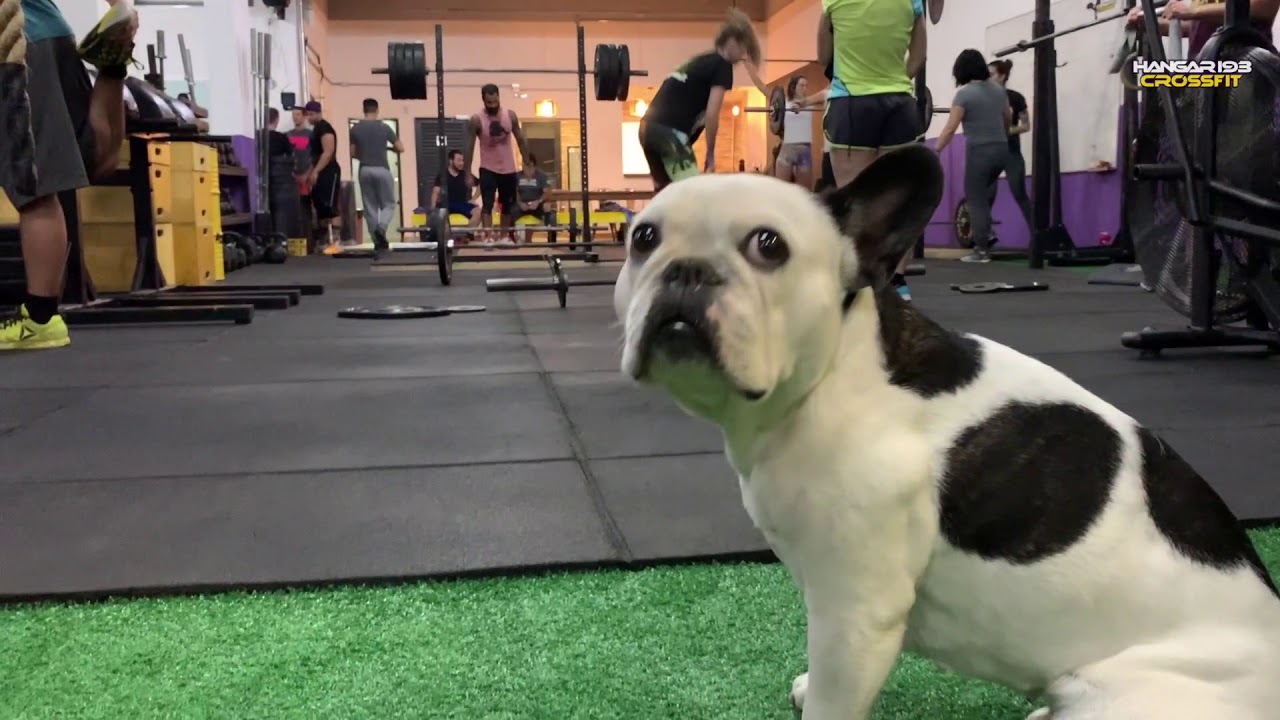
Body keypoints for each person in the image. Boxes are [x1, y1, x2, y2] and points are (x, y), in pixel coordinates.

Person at [0, 0, 138, 351]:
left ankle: (41, 319)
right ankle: (112, 69)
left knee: (33, 186)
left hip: (18, 44)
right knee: (88, 159)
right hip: (52, 34)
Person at [819, 0, 927, 300]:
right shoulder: (912, 1)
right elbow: (919, 55)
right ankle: (897, 284)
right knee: (901, 202)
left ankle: (856, 287)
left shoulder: (832, 1)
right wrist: (895, 80)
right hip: (899, 104)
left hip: (851, 103)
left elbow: (823, 56)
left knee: (853, 200)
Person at [638, 9, 764, 191]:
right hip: (669, 133)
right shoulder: (722, 65)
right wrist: (711, 155)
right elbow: (712, 114)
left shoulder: (702, 60)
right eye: (744, 51)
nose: (742, 59)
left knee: (666, 195)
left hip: (647, 129)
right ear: (735, 41)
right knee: (694, 194)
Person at [934, 49, 1012, 264]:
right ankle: (986, 235)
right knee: (986, 197)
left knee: (975, 200)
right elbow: (1007, 117)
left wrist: (936, 149)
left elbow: (951, 127)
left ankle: (981, 251)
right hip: (1001, 149)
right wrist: (1001, 138)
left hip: (980, 150)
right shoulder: (998, 90)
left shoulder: (964, 94)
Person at [461, 84, 530, 245]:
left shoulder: (510, 116)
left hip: (508, 168)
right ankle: (488, 237)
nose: (492, 105)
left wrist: (526, 161)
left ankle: (504, 236)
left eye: (494, 102)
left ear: (499, 97)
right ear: (483, 100)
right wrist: (467, 172)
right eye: (488, 103)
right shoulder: (476, 120)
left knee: (507, 204)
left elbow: (520, 139)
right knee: (487, 204)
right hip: (488, 168)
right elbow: (469, 147)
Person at [1126, 0, 1276, 58]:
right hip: (1207, 76)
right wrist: (1149, 23)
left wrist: (1192, 12)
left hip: (1246, 71)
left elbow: (1263, 8)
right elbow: (1193, 28)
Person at [986, 59, 1033, 242]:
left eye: (991, 74)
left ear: (1002, 76)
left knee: (1020, 195)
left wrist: (1005, 131)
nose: (988, 78)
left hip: (1011, 153)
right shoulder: (984, 99)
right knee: (986, 198)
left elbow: (1026, 125)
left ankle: (1037, 240)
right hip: (990, 154)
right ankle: (984, 242)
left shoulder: (1015, 97)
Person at [349, 98, 404, 255]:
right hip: (382, 169)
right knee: (389, 203)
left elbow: (352, 153)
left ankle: (377, 242)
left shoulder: (355, 129)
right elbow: (401, 148)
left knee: (370, 207)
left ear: (364, 109)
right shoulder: (384, 127)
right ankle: (382, 228)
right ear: (377, 110)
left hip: (365, 169)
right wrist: (391, 150)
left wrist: (365, 155)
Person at [303, 100, 341, 254]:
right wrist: (310, 172)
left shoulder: (325, 127)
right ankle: (324, 240)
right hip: (320, 169)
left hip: (329, 171)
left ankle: (336, 241)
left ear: (319, 113)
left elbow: (328, 151)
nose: (309, 117)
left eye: (312, 114)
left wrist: (317, 171)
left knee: (331, 207)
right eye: (308, 115)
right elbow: (316, 156)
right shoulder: (315, 130)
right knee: (321, 206)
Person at [775, 76, 816, 189]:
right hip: (788, 149)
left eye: (806, 86)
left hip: (805, 151)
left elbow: (827, 94)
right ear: (794, 87)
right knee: (781, 190)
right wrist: (750, 68)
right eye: (802, 85)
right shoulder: (785, 104)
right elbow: (764, 89)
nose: (805, 88)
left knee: (805, 193)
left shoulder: (810, 103)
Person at [432, 149, 481, 240]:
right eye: (458, 160)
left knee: (478, 211)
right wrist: (433, 207)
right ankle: (444, 239)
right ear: (451, 161)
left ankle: (468, 235)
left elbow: (480, 184)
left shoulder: (465, 175)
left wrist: (473, 199)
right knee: (439, 215)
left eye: (462, 160)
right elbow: (436, 191)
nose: (461, 163)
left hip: (462, 203)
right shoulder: (443, 175)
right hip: (447, 204)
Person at [286, 106, 313, 238]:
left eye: (297, 114)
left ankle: (307, 238)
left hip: (306, 177)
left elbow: (314, 157)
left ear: (304, 116)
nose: (295, 117)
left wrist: (307, 175)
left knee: (305, 209)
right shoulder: (287, 135)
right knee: (292, 209)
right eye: (293, 115)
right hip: (291, 177)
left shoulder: (310, 135)